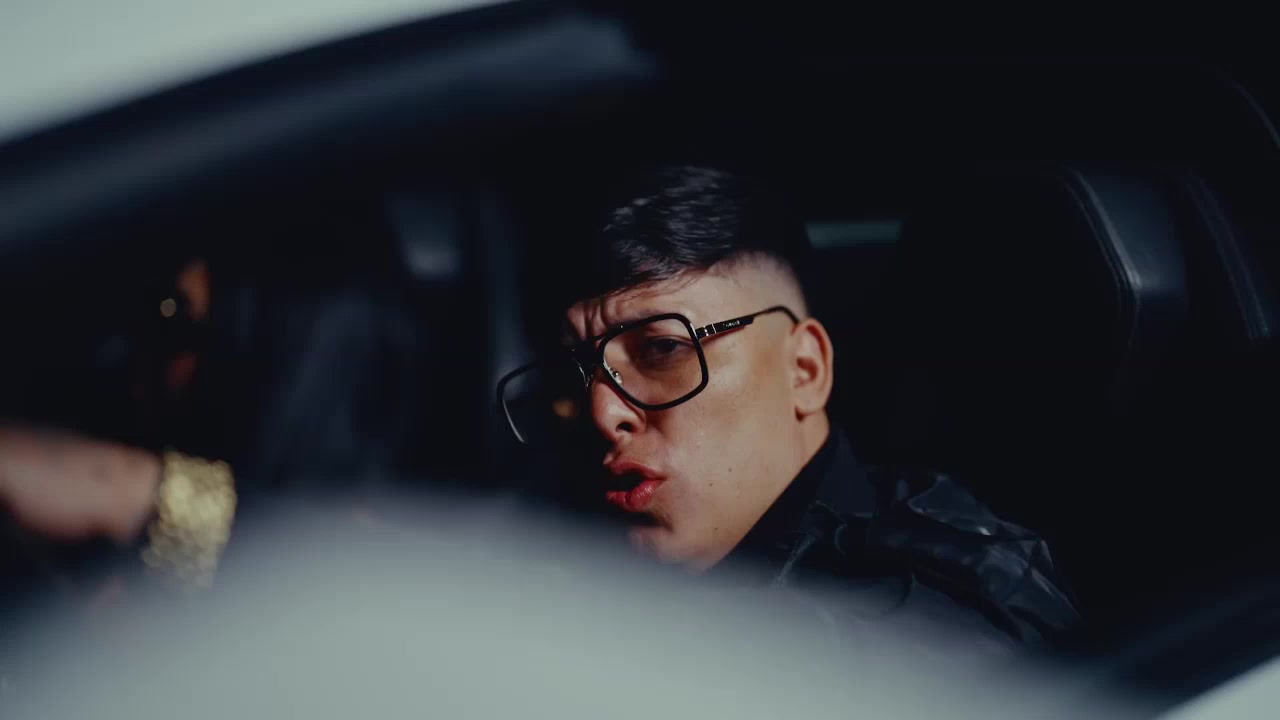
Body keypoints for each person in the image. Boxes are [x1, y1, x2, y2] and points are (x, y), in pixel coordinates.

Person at [498, 165, 1080, 645]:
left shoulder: (933, 621)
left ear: (805, 370)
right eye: (577, 375)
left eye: (663, 349)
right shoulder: (550, 552)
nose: (604, 414)